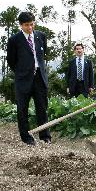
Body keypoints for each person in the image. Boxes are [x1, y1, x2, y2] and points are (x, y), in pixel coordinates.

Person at [7, 12, 51, 145]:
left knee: (42, 108)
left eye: (32, 24)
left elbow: (44, 54)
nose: (30, 27)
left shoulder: (41, 36)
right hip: (23, 79)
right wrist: (22, 72)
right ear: (21, 25)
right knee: (22, 109)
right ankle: (27, 138)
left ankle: (45, 136)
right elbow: (11, 61)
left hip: (39, 78)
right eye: (27, 25)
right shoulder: (14, 40)